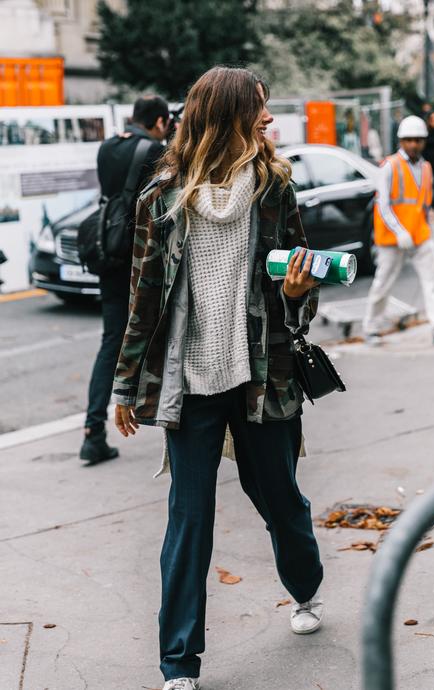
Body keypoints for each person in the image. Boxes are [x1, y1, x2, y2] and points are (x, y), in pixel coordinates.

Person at [113, 67, 324, 690]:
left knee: (281, 501)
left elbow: (301, 295)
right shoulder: (163, 199)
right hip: (192, 384)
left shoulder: (274, 190)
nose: (268, 118)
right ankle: (179, 663)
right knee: (189, 520)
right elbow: (144, 297)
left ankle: (306, 588)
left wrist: (295, 293)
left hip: (262, 377)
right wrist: (125, 386)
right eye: (258, 108)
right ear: (228, 115)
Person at [79, 95, 170, 465]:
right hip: (141, 257)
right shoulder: (154, 149)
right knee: (161, 332)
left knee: (112, 339)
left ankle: (93, 431)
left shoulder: (106, 147)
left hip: (108, 249)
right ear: (161, 122)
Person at [364, 115, 434, 346]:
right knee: (382, 283)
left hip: (420, 236)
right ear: (401, 141)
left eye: (418, 140)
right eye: (409, 140)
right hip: (393, 239)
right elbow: (383, 205)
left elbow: (423, 203)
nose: (414, 144)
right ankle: (371, 329)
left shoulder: (426, 168)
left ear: (424, 141)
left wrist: (425, 225)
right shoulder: (389, 166)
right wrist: (399, 232)